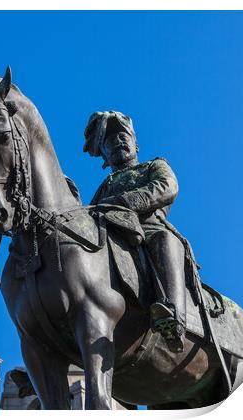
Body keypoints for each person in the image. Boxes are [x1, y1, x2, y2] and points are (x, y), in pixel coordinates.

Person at [83, 111, 187, 352]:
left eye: (123, 136)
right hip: (110, 238)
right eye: (109, 141)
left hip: (148, 230)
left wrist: (122, 201)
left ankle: (173, 317)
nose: (118, 141)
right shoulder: (104, 187)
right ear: (105, 157)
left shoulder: (155, 166)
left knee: (165, 239)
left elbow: (166, 187)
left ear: (136, 144)